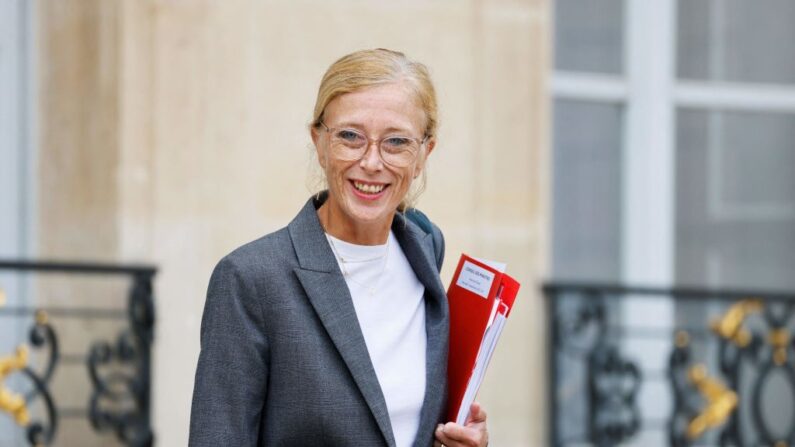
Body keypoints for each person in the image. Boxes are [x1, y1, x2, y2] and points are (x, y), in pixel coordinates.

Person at [189, 48, 488, 447]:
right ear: (319, 141)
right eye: (350, 136)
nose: (371, 162)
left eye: (396, 142)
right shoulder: (251, 278)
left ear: (423, 155)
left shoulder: (425, 247)